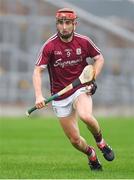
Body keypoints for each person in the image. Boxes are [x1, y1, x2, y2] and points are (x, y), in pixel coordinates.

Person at [33, 8, 114, 171]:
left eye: (68, 23)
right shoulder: (49, 46)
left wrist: (92, 78)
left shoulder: (84, 42)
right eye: (61, 23)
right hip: (60, 96)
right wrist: (39, 96)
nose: (64, 27)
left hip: (80, 87)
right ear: (57, 24)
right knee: (75, 140)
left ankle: (101, 142)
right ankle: (91, 154)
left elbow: (99, 58)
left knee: (85, 115)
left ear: (74, 25)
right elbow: (37, 70)